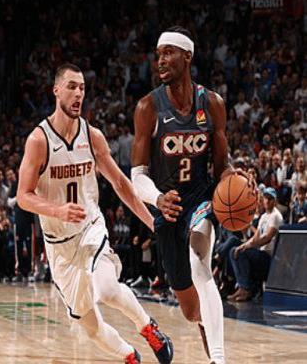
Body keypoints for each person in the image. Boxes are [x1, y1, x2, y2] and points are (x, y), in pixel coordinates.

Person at [17, 63, 173, 364]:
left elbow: (121, 184)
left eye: (82, 88)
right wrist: (57, 210)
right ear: (56, 90)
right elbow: (23, 196)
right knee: (89, 325)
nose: (78, 94)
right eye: (72, 87)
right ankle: (130, 356)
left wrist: (154, 223)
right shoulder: (39, 141)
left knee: (107, 288)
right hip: (59, 245)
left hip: (90, 229)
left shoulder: (92, 136)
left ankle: (148, 327)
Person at [131, 26, 251, 364]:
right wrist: (157, 198)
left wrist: (235, 177)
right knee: (189, 310)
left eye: (168, 53)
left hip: (201, 199)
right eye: (158, 55)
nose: (160, 60)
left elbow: (221, 165)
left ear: (187, 56)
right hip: (167, 208)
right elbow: (137, 175)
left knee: (201, 264)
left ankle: (218, 359)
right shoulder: (147, 107)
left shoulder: (212, 104)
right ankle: (203, 322)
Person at [229, 187, 283, 301]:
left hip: (270, 257)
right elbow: (256, 237)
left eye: (270, 199)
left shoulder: (276, 216)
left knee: (243, 253)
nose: (267, 201)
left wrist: (247, 246)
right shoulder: (264, 216)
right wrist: (243, 245)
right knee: (234, 251)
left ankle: (246, 289)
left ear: (275, 201)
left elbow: (267, 238)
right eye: (266, 198)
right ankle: (242, 286)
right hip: (261, 254)